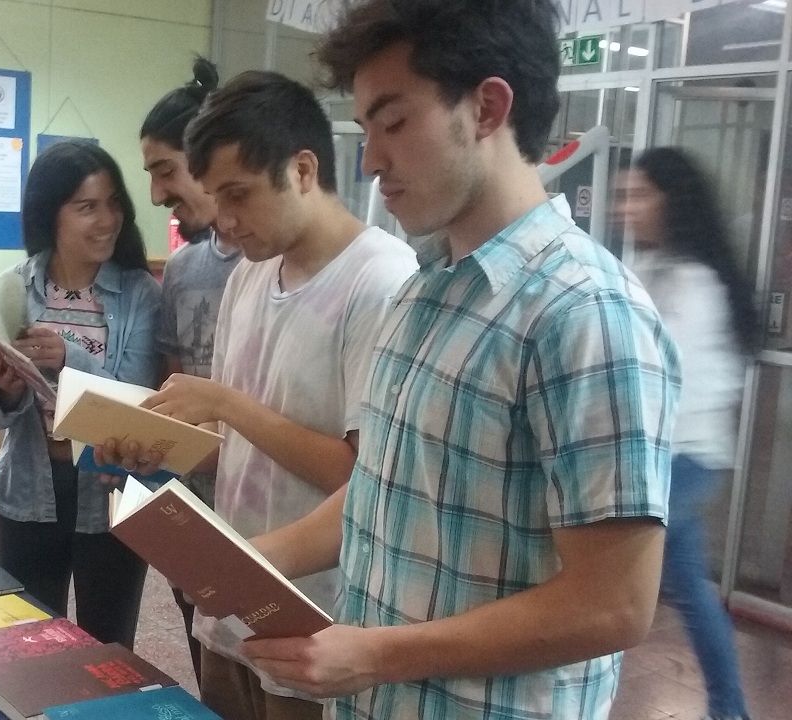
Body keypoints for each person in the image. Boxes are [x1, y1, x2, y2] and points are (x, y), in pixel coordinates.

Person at [237, 2, 681, 719]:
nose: (371, 159)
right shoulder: (423, 291)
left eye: (393, 122)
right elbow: (388, 488)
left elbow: (614, 604)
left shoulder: (586, 313)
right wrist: (262, 556)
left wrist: (377, 655)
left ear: (487, 108)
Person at [108, 70, 418, 720]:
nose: (224, 221)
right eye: (216, 196)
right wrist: (158, 447)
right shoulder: (251, 276)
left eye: (239, 195)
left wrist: (226, 403)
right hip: (232, 603)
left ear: (302, 170)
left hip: (316, 621)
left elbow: (364, 480)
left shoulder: (382, 282)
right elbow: (237, 450)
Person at [0, 140, 160, 649]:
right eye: (87, 207)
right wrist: (5, 390)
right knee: (31, 646)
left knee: (110, 649)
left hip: (109, 492)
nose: (107, 220)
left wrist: (69, 359)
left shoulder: (140, 293)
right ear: (50, 213)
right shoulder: (14, 286)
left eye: (113, 203)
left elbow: (137, 402)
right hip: (26, 490)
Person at [619, 147, 757, 720]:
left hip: (684, 457)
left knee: (614, 581)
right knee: (687, 587)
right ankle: (730, 707)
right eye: (624, 196)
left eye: (640, 195)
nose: (627, 208)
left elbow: (675, 379)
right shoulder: (656, 269)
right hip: (667, 456)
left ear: (673, 201)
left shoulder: (695, 283)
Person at [139, 54, 242, 684]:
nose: (157, 195)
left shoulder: (270, 265)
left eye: (166, 171)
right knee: (209, 667)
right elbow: (173, 387)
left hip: (263, 511)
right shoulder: (181, 269)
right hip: (195, 508)